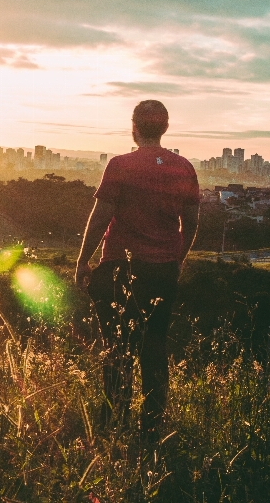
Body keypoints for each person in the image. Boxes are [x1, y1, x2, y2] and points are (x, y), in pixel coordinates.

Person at [75, 100, 199, 443]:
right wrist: (176, 260)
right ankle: (152, 430)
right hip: (162, 272)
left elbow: (101, 216)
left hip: (118, 270)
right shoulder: (183, 167)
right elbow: (190, 225)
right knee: (155, 347)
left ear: (134, 127)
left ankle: (111, 428)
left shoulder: (120, 165)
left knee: (116, 350)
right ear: (165, 128)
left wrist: (83, 261)